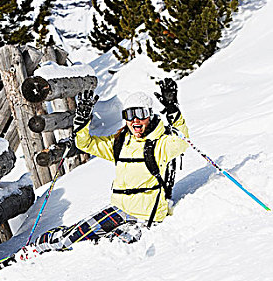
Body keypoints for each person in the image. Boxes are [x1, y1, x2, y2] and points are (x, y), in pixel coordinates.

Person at [25, 78, 190, 255]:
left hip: (145, 217)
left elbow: (182, 141)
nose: (135, 120)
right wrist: (82, 121)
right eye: (129, 115)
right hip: (119, 210)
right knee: (73, 238)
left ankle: (46, 250)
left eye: (141, 114)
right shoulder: (120, 143)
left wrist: (173, 110)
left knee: (99, 249)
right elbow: (85, 143)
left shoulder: (160, 144)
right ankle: (35, 248)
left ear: (149, 115)